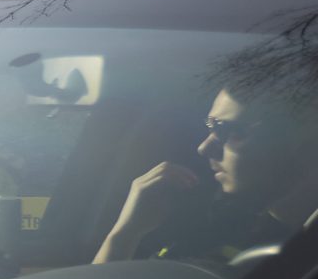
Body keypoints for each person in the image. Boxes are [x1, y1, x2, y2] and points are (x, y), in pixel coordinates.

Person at [96, 80, 318, 266]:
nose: (204, 148)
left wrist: (122, 238)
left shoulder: (299, 265)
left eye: (229, 131)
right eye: (210, 126)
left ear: (306, 147)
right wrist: (127, 234)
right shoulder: (224, 225)